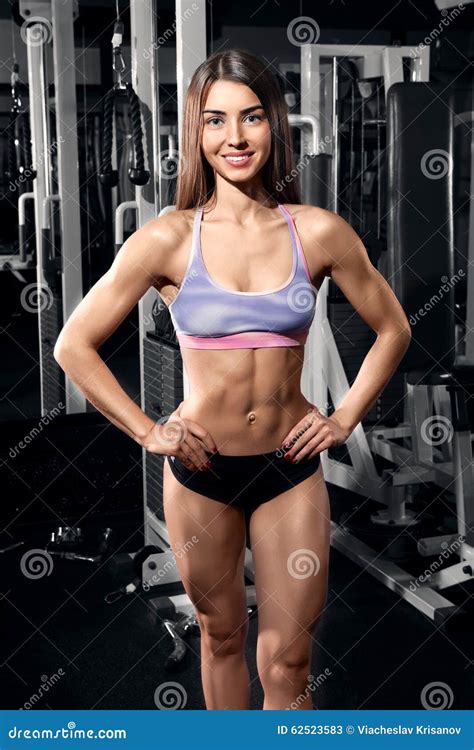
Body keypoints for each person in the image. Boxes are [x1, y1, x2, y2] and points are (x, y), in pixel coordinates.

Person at [54, 48, 411, 710]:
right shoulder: (166, 239)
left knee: (290, 661)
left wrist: (345, 417)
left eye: (250, 118)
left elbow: (394, 328)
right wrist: (146, 430)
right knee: (222, 638)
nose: (235, 137)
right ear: (197, 132)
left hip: (289, 469)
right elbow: (72, 345)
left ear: (274, 124)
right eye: (215, 121)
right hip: (201, 473)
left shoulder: (319, 231)